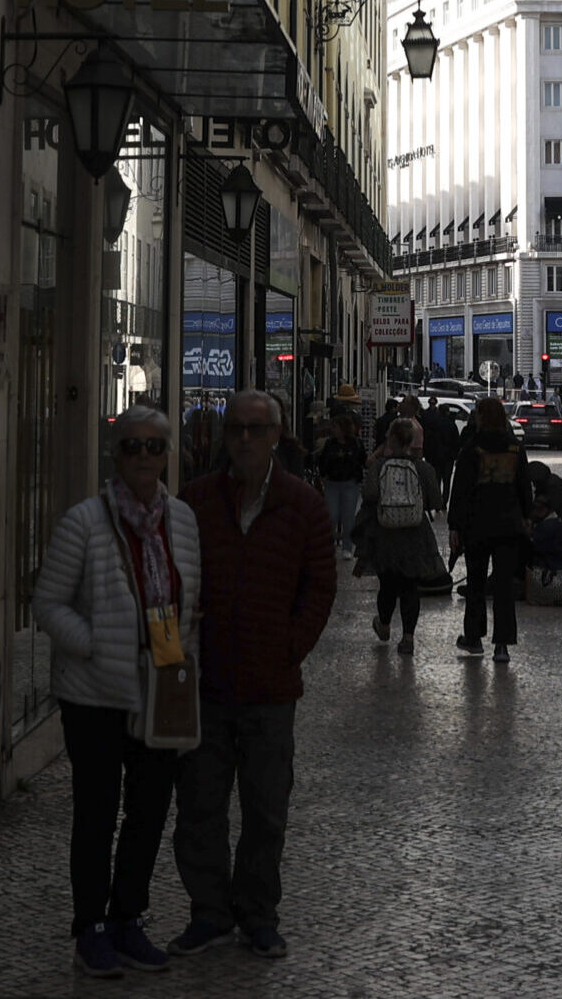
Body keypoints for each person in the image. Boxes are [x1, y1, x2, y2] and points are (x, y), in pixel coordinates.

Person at [31, 406, 201, 977]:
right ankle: (91, 928)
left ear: (167, 455)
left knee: (149, 811)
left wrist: (182, 652)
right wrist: (97, 645)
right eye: (133, 445)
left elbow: (188, 598)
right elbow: (48, 603)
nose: (145, 456)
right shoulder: (82, 522)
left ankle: (128, 918)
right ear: (116, 453)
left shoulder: (182, 521)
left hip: (159, 689)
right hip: (94, 694)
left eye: (155, 446)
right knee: (97, 812)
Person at [169, 392, 336, 962]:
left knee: (266, 810)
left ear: (275, 436)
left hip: (270, 687)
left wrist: (291, 646)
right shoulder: (195, 502)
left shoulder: (302, 504)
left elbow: (320, 585)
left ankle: (258, 913)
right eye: (236, 428)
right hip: (207, 683)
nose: (244, 438)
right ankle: (210, 912)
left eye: (256, 429)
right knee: (199, 807)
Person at [444, 397, 536, 663]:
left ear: (482, 417)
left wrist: (455, 525)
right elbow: (524, 486)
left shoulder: (472, 448)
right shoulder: (515, 448)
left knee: (476, 583)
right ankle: (502, 645)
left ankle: (474, 638)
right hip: (509, 525)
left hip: (478, 525)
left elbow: (460, 490)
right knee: (504, 586)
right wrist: (527, 517)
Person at [360, 417, 447, 654]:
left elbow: (369, 494)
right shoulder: (423, 469)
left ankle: (384, 624)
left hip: (385, 534)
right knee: (410, 587)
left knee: (387, 584)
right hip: (415, 535)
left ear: (390, 440)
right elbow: (436, 501)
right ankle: (408, 637)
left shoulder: (379, 466)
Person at [313, 411, 368, 555]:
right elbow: (323, 460)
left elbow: (362, 460)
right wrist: (324, 474)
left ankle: (347, 546)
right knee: (331, 515)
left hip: (350, 483)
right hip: (332, 483)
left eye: (335, 427)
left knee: (348, 516)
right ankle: (330, 542)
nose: (333, 430)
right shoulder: (330, 444)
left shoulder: (355, 444)